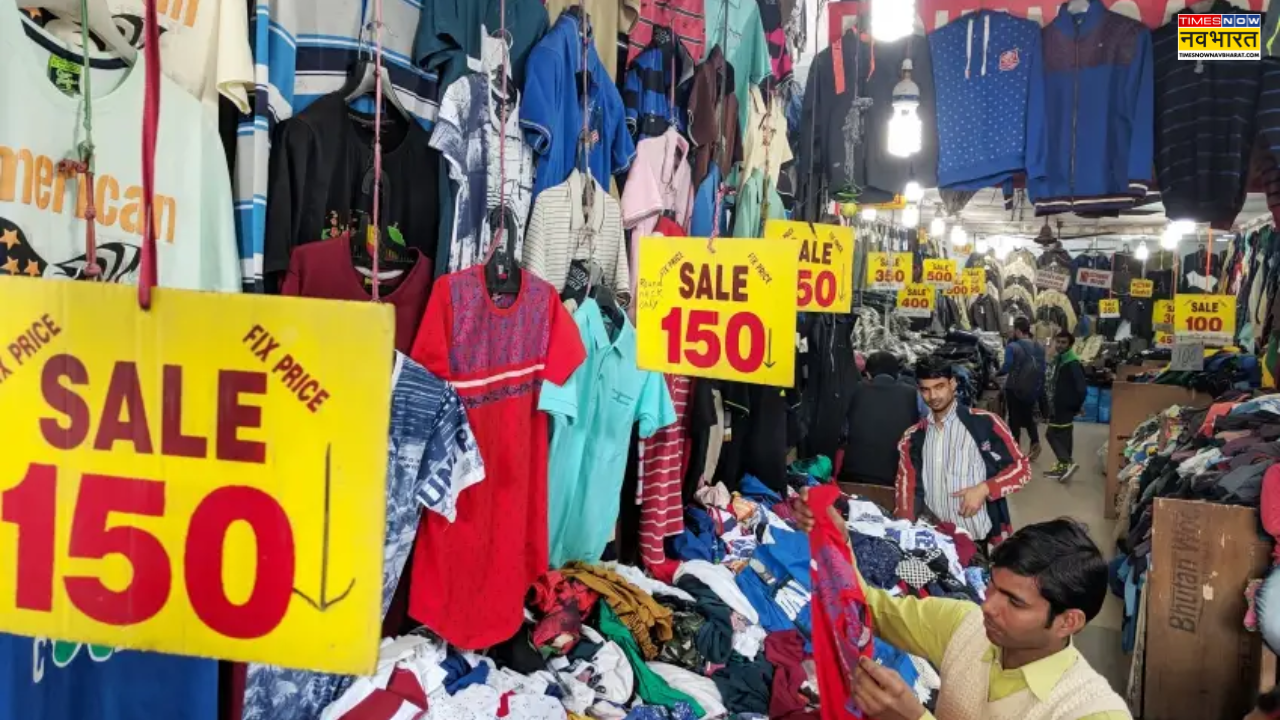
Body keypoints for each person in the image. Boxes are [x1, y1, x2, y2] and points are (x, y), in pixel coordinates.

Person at [792, 499, 1132, 720]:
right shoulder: (965, 625)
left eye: (1014, 602)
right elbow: (872, 610)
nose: (988, 606)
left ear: (1068, 621)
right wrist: (836, 541)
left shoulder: (1092, 712)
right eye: (993, 586)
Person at [897, 356, 1031, 544]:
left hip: (974, 536)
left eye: (939, 386)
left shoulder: (985, 423)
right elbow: (907, 486)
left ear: (952, 384)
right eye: (926, 390)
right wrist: (904, 528)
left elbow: (1022, 468)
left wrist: (984, 489)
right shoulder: (913, 437)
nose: (933, 396)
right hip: (933, 536)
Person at [839, 351, 923, 487]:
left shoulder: (854, 390)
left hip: (853, 476)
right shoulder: (913, 394)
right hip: (896, 479)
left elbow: (842, 431)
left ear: (868, 374)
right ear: (897, 374)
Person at [1001, 317, 1045, 461]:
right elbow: (1043, 367)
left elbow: (1007, 366)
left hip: (1014, 388)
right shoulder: (1039, 346)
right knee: (1028, 416)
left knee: (1014, 418)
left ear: (1018, 330)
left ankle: (1016, 451)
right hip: (1032, 387)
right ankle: (1035, 443)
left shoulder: (1013, 347)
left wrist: (996, 374)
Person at [1047, 330, 1087, 482]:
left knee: (1051, 434)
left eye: (1063, 342)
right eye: (1058, 342)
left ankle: (1068, 462)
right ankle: (1063, 468)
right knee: (1064, 437)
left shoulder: (1072, 363)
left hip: (1064, 406)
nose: (1059, 345)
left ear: (1070, 345)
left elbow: (1082, 389)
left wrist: (1076, 406)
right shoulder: (1060, 360)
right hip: (1058, 405)